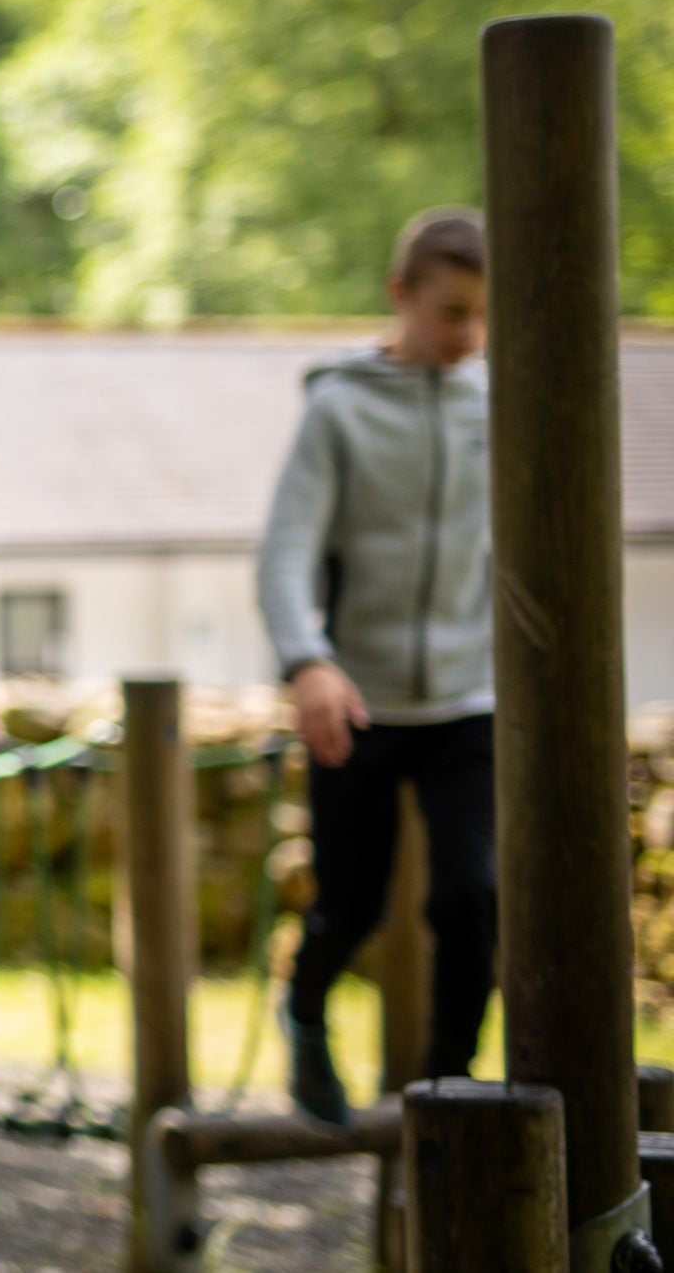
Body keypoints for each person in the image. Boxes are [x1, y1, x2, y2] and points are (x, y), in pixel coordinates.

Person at [257, 207, 494, 1124]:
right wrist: (308, 662)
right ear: (402, 297)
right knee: (350, 908)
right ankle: (306, 1010)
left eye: (482, 316)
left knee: (471, 898)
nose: (467, 335)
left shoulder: (500, 405)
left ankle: (450, 1089)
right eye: (451, 313)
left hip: (470, 701)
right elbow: (282, 551)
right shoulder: (339, 409)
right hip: (357, 699)